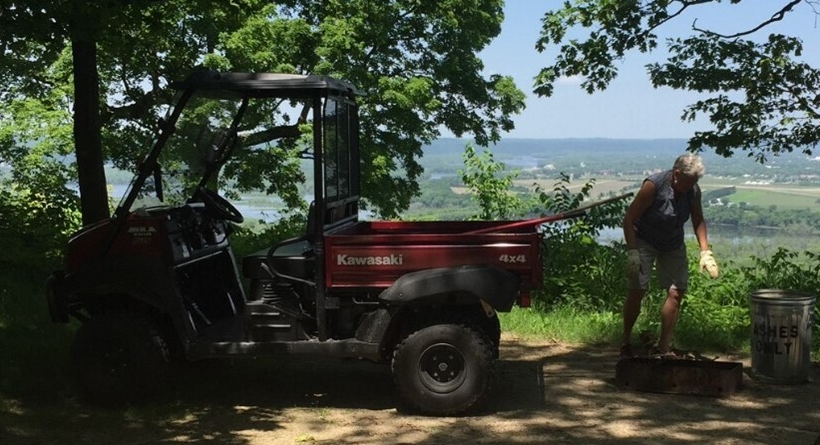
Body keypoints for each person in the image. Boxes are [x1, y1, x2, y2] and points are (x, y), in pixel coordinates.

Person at [620, 153, 719, 358]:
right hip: (644, 240)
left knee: (676, 292)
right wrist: (633, 252)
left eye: (694, 182)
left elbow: (698, 219)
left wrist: (705, 251)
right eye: (687, 182)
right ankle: (626, 340)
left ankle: (663, 347)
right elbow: (629, 219)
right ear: (676, 174)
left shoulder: (693, 190)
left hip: (672, 243)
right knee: (638, 289)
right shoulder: (653, 186)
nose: (690, 186)